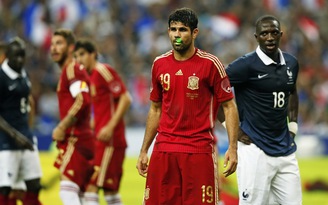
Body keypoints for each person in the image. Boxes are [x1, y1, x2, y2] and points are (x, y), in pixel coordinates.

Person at [136, 7, 239, 205]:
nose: (177, 35)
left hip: (198, 149)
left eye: (183, 30)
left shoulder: (211, 64)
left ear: (194, 33)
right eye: (173, 29)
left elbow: (229, 106)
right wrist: (144, 150)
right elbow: (155, 109)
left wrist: (233, 148)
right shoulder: (159, 64)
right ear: (168, 32)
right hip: (164, 148)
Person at [218, 15, 302, 205]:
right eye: (264, 33)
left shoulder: (291, 63)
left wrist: (294, 125)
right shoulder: (244, 65)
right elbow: (213, 91)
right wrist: (231, 128)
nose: (270, 37)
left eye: (273, 33)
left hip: (285, 149)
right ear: (256, 37)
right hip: (254, 149)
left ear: (281, 35)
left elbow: (292, 91)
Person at [74, 39, 132, 205]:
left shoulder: (102, 71)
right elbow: (102, 109)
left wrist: (109, 126)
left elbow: (125, 98)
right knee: (110, 191)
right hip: (103, 140)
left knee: (91, 186)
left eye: (82, 54)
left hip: (110, 141)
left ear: (93, 54)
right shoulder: (90, 78)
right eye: (76, 56)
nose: (79, 59)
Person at [50, 28, 95, 205]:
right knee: (81, 195)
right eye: (52, 44)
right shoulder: (71, 71)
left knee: (67, 191)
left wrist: (62, 126)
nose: (54, 48)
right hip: (83, 139)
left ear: (70, 48)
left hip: (76, 138)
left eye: (59, 43)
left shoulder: (71, 69)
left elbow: (82, 100)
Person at [0, 37, 43, 205]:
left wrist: (28, 131)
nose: (19, 59)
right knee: (6, 189)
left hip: (26, 138)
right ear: (7, 56)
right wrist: (15, 135)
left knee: (34, 186)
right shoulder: (1, 78)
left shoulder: (23, 74)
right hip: (6, 143)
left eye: (22, 55)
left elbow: (29, 103)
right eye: (16, 55)